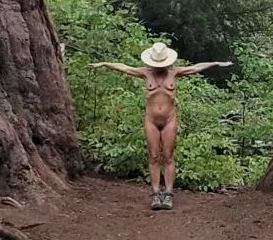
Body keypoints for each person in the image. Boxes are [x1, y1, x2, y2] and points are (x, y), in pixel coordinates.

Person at [92, 42, 232, 209]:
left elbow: (196, 67)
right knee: (153, 156)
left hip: (169, 120)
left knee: (168, 155)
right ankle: (156, 193)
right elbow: (125, 67)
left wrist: (215, 63)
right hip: (151, 120)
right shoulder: (145, 73)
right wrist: (105, 63)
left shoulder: (175, 72)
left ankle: (168, 194)